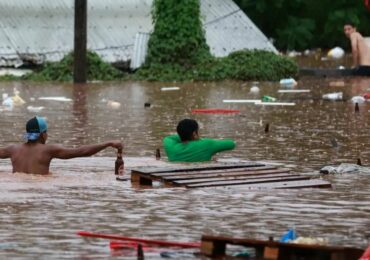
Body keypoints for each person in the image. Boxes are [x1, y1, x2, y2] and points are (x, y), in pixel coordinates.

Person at [0, 116, 122, 174]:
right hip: (39, 189)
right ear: (43, 134)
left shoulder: (12, 149)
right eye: (46, 132)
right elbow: (81, 152)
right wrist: (108, 143)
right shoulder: (48, 150)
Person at [163, 119, 236, 162]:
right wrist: (200, 139)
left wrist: (184, 136)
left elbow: (168, 138)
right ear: (194, 133)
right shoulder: (206, 144)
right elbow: (232, 144)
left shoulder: (171, 148)